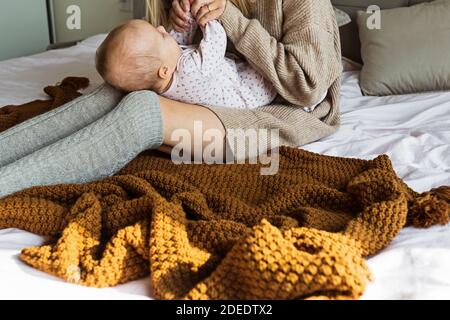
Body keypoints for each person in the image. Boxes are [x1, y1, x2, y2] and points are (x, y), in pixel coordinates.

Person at [0, 0, 341, 197]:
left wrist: (229, 17)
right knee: (117, 88)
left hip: (280, 108)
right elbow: (166, 61)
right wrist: (181, 17)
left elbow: (306, 86)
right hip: (223, 83)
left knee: (141, 110)